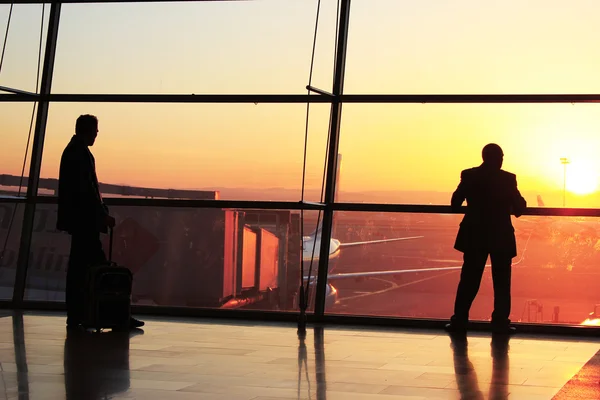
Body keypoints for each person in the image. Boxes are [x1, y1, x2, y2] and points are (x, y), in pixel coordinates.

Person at [57, 114, 144, 330]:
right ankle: (115, 315)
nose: (97, 134)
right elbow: (88, 192)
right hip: (85, 223)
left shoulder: (73, 152)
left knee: (81, 268)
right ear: (88, 130)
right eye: (95, 130)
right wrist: (101, 215)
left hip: (80, 222)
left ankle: (82, 314)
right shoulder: (81, 155)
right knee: (97, 266)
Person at [446, 143, 526, 334]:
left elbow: (455, 204)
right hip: (501, 236)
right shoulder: (508, 179)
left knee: (469, 280)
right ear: (499, 158)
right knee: (502, 283)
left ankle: (460, 320)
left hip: (475, 235)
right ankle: (500, 323)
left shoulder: (469, 175)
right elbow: (520, 208)